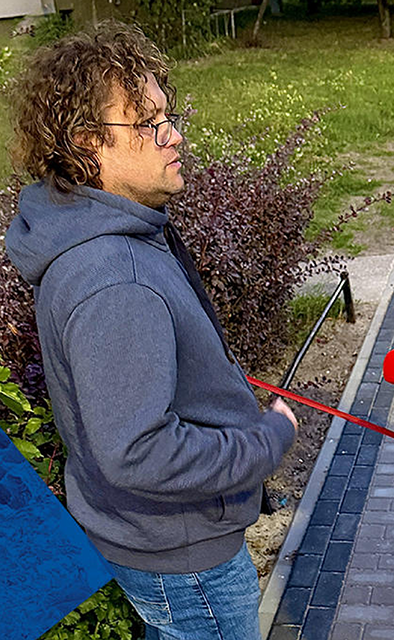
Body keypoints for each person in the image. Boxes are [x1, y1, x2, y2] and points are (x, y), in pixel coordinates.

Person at [5, 22, 297, 640]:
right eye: (148, 123)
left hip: (155, 542)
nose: (174, 136)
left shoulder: (101, 233)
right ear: (87, 143)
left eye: (169, 116)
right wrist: (266, 440)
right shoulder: (117, 276)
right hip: (184, 559)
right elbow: (137, 451)